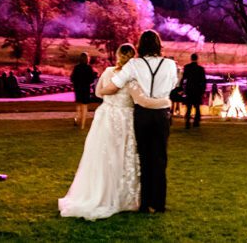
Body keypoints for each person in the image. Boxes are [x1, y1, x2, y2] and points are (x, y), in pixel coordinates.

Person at [59, 43, 172, 220]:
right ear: (134, 56)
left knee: (103, 155)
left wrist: (108, 95)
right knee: (124, 154)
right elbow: (138, 100)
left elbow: (98, 92)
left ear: (118, 55)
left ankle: (99, 191)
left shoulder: (108, 72)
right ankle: (123, 196)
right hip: (125, 117)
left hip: (106, 116)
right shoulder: (134, 75)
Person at [100, 30, 178, 214]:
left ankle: (144, 203)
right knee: (160, 157)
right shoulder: (170, 64)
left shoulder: (134, 64)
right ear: (159, 45)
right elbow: (173, 85)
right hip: (161, 114)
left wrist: (101, 91)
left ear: (140, 45)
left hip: (142, 114)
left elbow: (116, 84)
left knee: (143, 157)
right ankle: (159, 203)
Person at [180, 53, 207, 129]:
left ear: (191, 58)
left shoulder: (187, 67)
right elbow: (204, 81)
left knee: (189, 107)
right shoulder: (200, 69)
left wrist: (181, 88)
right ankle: (196, 122)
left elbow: (184, 78)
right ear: (197, 59)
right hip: (197, 90)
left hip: (189, 90)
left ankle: (187, 122)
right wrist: (203, 90)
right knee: (197, 107)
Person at [71, 53, 96, 129]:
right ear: (87, 59)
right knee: (84, 107)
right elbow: (91, 79)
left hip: (77, 88)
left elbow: (72, 78)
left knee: (78, 105)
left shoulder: (76, 67)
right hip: (85, 89)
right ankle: (82, 125)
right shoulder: (89, 68)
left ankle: (76, 117)